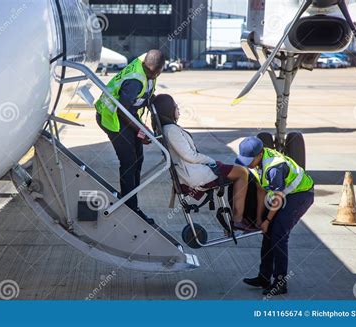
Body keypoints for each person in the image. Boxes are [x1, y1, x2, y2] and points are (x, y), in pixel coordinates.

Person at [152, 94, 255, 231]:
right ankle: (237, 220)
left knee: (236, 174)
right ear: (168, 110)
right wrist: (211, 162)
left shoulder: (168, 129)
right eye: (176, 107)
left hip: (191, 170)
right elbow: (190, 156)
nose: (179, 110)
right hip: (193, 173)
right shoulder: (171, 130)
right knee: (242, 173)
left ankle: (237, 217)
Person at [236, 136, 314, 296]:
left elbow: (278, 198)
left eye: (249, 160)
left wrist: (268, 220)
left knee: (278, 235)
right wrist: (260, 219)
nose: (246, 164)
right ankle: (264, 277)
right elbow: (261, 190)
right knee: (268, 234)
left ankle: (280, 282)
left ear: (259, 155)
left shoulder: (273, 167)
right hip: (285, 195)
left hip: (300, 195)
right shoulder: (257, 163)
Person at [95, 50, 165, 224]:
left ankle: (130, 196)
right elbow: (122, 111)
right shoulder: (135, 81)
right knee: (129, 162)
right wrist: (142, 131)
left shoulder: (147, 67)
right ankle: (130, 208)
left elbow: (143, 99)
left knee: (138, 160)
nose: (153, 75)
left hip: (127, 116)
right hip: (112, 118)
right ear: (156, 70)